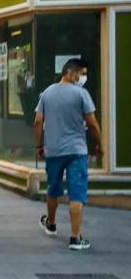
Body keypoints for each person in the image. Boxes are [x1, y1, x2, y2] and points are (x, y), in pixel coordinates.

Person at [34, 58, 103, 251]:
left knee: (53, 188)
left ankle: (51, 223)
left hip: (54, 150)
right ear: (70, 73)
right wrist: (99, 145)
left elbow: (38, 122)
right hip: (77, 151)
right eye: (82, 73)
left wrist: (39, 145)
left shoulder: (47, 93)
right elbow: (92, 124)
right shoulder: (82, 94)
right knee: (77, 194)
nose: (84, 77)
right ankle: (75, 237)